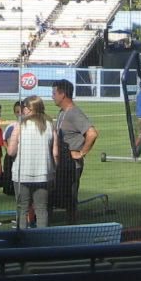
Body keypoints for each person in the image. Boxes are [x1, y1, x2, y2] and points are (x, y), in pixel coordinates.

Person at [49, 79, 97, 223]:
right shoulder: (63, 112)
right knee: (57, 197)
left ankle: (72, 231)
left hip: (71, 165)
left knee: (70, 200)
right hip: (62, 163)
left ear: (63, 94)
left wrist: (82, 152)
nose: (52, 96)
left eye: (54, 93)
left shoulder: (74, 113)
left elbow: (92, 133)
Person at [6, 94, 55, 228]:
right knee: (41, 209)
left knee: (22, 209)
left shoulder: (19, 125)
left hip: (22, 174)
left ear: (30, 108)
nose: (23, 110)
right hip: (44, 174)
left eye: (24, 107)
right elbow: (55, 153)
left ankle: (22, 240)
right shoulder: (50, 125)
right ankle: (42, 240)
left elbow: (10, 151)